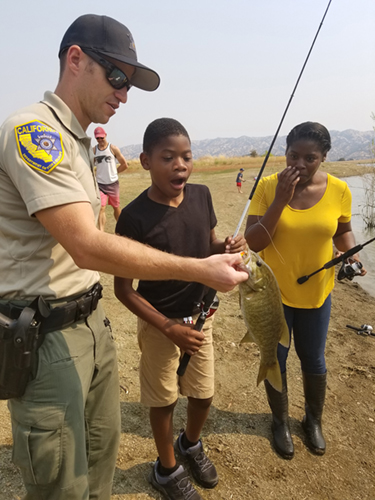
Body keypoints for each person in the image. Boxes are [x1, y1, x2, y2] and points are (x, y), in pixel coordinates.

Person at [0, 15, 248, 500]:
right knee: (60, 482)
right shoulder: (34, 131)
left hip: (90, 324)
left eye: (129, 84)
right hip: (45, 337)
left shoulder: (78, 140)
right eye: (117, 76)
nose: (124, 94)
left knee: (99, 461)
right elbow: (87, 244)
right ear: (76, 59)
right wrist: (199, 268)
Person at [114, 118, 247, 500]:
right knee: (164, 399)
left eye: (186, 156)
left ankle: (191, 444)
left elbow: (206, 245)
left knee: (203, 394)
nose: (180, 165)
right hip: (161, 327)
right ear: (145, 161)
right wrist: (167, 327)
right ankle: (166, 468)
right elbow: (124, 290)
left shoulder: (202, 195)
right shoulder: (134, 217)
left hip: (201, 320)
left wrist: (225, 247)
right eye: (168, 157)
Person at [245, 122, 366, 460]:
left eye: (309, 158)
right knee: (276, 356)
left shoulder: (340, 189)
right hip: (272, 294)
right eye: (292, 155)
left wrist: (351, 253)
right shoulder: (269, 187)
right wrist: (280, 201)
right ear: (285, 153)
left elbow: (343, 232)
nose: (298, 164)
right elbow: (253, 241)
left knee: (313, 357)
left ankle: (313, 420)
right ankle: (280, 422)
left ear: (324, 157)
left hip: (317, 292)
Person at [93, 126, 128, 231]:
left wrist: (114, 172)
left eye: (101, 138)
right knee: (101, 208)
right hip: (100, 184)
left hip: (113, 183)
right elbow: (89, 165)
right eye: (97, 138)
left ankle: (122, 229)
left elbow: (124, 164)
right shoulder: (94, 150)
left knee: (116, 208)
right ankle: (101, 233)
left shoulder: (113, 148)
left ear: (105, 135)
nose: (100, 140)